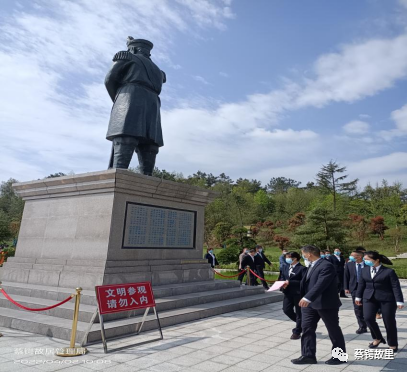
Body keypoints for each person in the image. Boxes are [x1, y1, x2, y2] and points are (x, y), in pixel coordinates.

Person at [105, 37, 166, 175]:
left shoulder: (127, 57)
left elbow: (109, 79)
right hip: (153, 104)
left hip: (130, 97)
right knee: (149, 145)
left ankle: (118, 176)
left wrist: (118, 99)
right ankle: (147, 179)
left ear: (133, 48)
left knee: (125, 138)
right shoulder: (158, 70)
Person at [291, 245, 346, 366]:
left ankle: (340, 356)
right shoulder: (310, 265)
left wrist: (307, 297)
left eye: (303, 254)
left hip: (325, 303)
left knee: (333, 330)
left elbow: (321, 284)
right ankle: (308, 355)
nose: (303, 256)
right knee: (307, 328)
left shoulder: (326, 265)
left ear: (309, 253)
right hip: (309, 305)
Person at [355, 251, 404, 351]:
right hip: (369, 298)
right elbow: (361, 284)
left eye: (368, 259)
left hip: (386, 299)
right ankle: (378, 337)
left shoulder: (389, 272)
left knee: (389, 322)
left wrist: (399, 300)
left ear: (376, 260)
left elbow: (395, 286)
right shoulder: (364, 270)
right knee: (368, 318)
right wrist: (358, 297)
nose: (365, 261)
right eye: (365, 259)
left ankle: (392, 343)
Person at [281, 251, 307, 340]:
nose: (286, 259)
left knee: (299, 312)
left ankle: (297, 331)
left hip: (298, 293)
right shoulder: (285, 267)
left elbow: (303, 282)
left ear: (295, 258)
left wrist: (290, 282)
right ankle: (302, 323)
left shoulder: (302, 269)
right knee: (286, 309)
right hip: (287, 292)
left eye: (288, 257)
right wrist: (281, 283)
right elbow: (282, 277)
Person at [344, 250, 367, 334]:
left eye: (352, 255)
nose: (350, 256)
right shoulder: (349, 264)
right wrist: (346, 287)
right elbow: (346, 276)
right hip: (354, 288)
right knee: (357, 308)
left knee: (367, 307)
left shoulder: (367, 264)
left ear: (359, 257)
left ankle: (369, 321)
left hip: (366, 289)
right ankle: (362, 326)